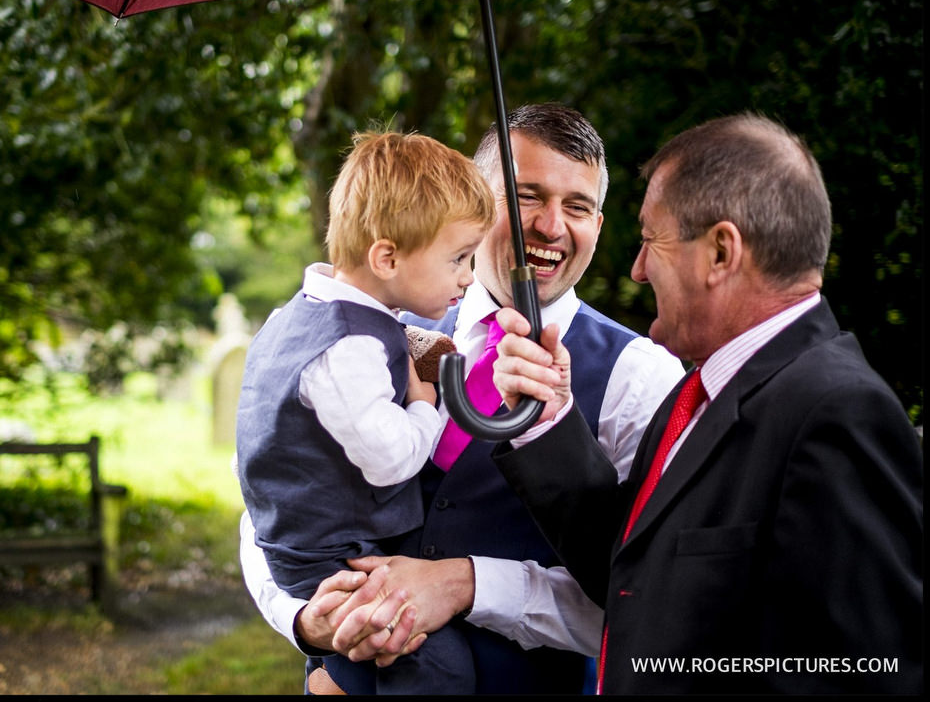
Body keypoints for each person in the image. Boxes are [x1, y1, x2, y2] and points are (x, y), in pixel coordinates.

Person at [239, 104, 686, 694]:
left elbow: (649, 604)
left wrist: (467, 584)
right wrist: (303, 621)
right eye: (526, 196)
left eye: (576, 206)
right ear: (475, 204)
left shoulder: (641, 377)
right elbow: (271, 498)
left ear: (598, 227)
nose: (551, 226)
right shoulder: (370, 333)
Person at [487, 113, 923, 694]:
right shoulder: (695, 396)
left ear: (721, 252)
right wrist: (548, 420)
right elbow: (628, 571)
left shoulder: (839, 412)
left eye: (651, 240)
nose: (638, 271)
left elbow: (869, 671)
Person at [236, 129, 495, 694]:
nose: (468, 276)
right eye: (457, 258)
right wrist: (429, 408)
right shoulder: (347, 346)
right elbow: (388, 457)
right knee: (436, 664)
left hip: (310, 538)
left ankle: (334, 678)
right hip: (333, 558)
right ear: (387, 257)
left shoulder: (295, 316)